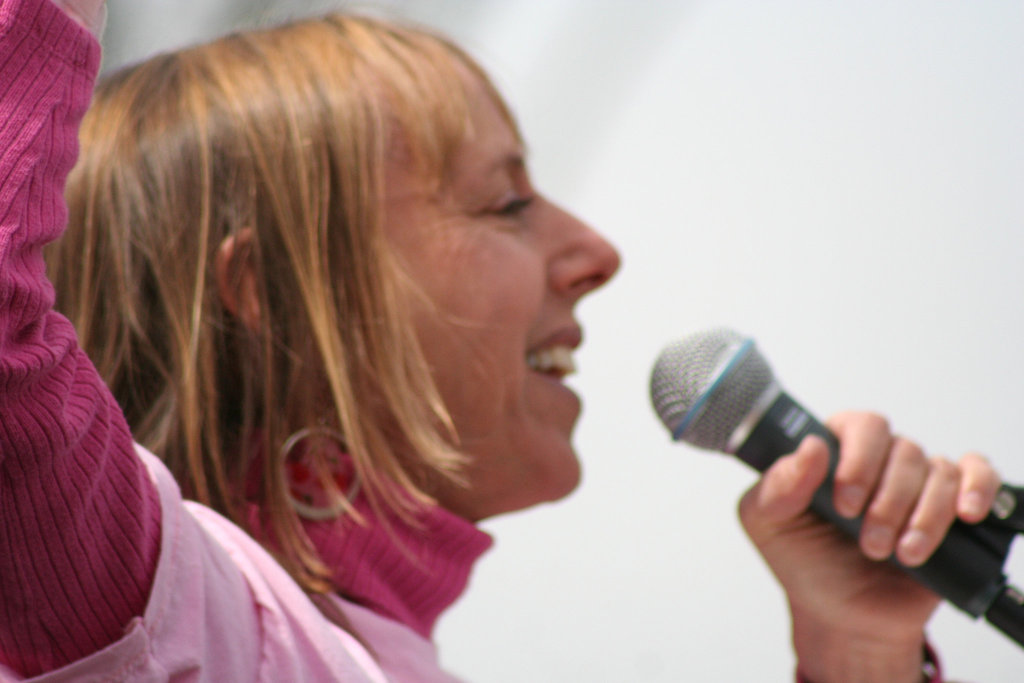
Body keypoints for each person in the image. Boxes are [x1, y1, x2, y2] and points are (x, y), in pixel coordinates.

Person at [0, 0, 1003, 680]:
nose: (595, 249)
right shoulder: (165, 608)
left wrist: (853, 644)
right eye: (505, 200)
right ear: (264, 288)